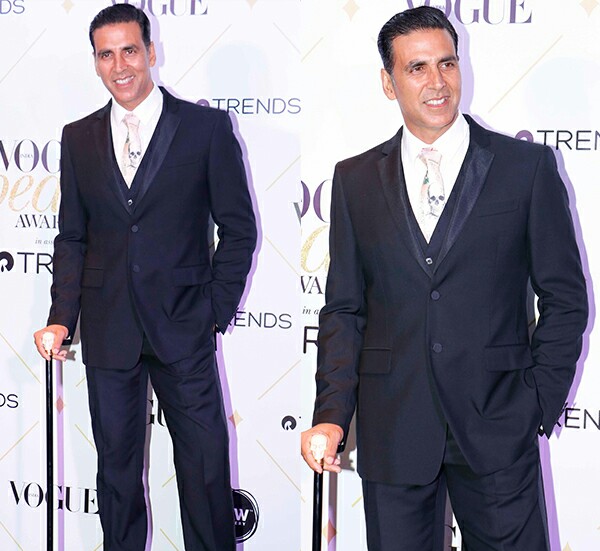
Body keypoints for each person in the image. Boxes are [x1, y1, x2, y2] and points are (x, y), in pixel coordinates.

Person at [301, 6, 587, 550]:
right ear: (388, 83)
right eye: (417, 68)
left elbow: (566, 299)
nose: (437, 82)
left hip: (499, 425)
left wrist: (535, 402)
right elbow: (344, 309)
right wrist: (332, 414)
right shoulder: (354, 179)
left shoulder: (526, 168)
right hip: (394, 427)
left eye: (447, 63)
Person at [33, 4, 256, 550]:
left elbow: (238, 230)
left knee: (205, 471)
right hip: (108, 329)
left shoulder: (205, 129)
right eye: (106, 55)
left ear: (151, 53)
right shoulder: (78, 137)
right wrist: (62, 317)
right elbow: (72, 237)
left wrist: (212, 311)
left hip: (185, 328)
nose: (120, 66)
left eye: (129, 50)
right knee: (116, 476)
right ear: (95, 62)